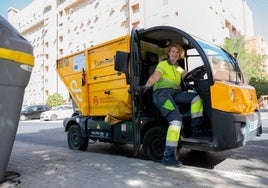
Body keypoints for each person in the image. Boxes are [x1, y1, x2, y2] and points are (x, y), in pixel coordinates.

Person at [143, 44, 203, 166]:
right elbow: (155, 76)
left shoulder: (178, 68)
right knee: (176, 121)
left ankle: (196, 129)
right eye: (173, 52)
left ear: (179, 56)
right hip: (162, 95)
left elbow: (188, 74)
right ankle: (168, 156)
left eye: (177, 53)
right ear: (169, 53)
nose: (175, 54)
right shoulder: (162, 64)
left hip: (175, 94)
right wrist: (147, 85)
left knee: (196, 98)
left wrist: (200, 74)